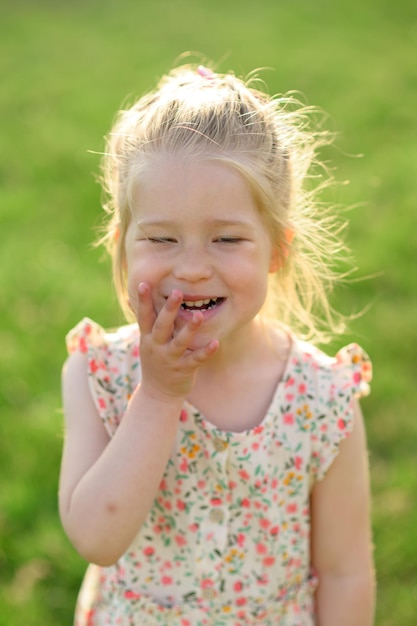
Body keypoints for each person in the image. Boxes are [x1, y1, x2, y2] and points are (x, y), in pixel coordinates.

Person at [59, 61, 375, 626]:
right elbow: (96, 539)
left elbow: (346, 570)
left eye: (226, 238)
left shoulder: (323, 399)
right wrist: (157, 396)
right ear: (123, 246)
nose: (193, 268)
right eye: (161, 238)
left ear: (276, 250)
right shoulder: (99, 372)